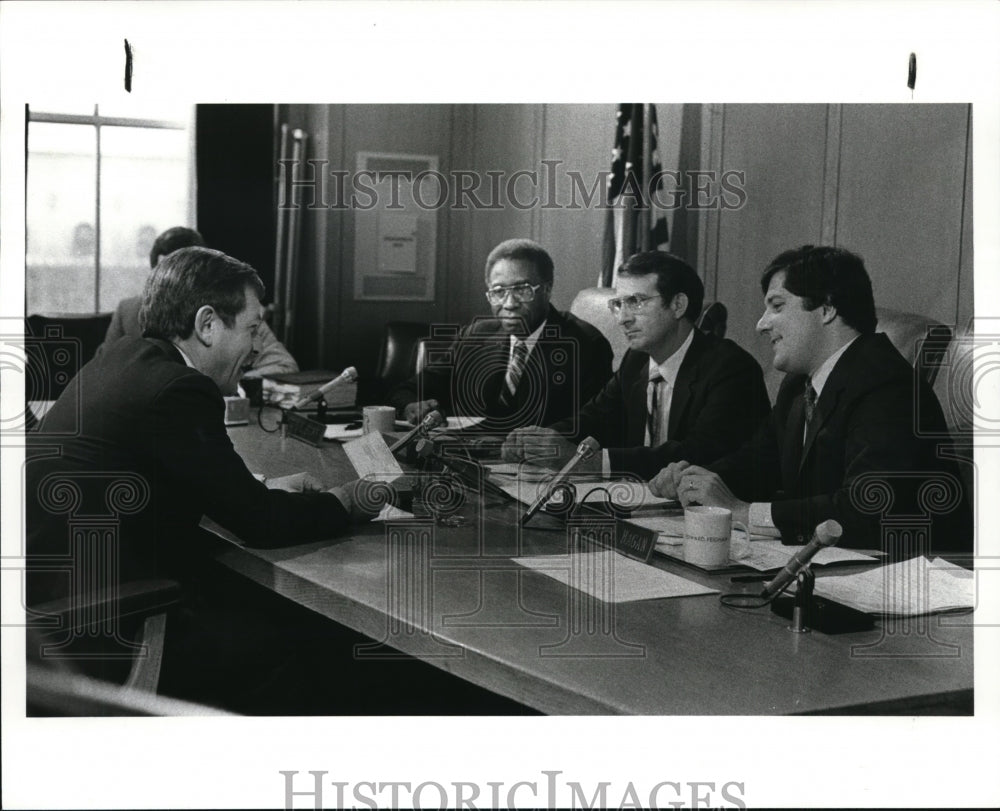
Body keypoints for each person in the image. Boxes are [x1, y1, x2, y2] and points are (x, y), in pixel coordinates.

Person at [25, 247, 382, 710]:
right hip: (101, 630)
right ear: (208, 324)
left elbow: (182, 480)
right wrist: (345, 501)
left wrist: (262, 492)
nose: (256, 347)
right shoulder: (180, 388)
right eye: (252, 329)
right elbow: (261, 525)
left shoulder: (122, 358)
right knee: (308, 644)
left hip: (46, 610)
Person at [649, 245, 971, 553]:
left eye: (777, 306)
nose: (761, 324)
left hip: (913, 582)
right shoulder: (798, 385)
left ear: (827, 309)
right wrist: (692, 479)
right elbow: (757, 462)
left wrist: (744, 512)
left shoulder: (887, 384)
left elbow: (867, 507)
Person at [501, 251, 770, 479]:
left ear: (677, 305)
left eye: (636, 302)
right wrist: (538, 441)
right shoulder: (636, 359)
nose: (622, 319)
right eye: (618, 305)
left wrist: (594, 462)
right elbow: (594, 417)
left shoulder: (731, 369)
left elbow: (696, 454)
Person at [389, 238, 613, 431]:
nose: (509, 304)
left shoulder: (586, 344)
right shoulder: (475, 335)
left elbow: (592, 425)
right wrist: (412, 406)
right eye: (498, 292)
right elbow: (407, 390)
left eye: (522, 290)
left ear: (547, 289)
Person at [102, 226, 298, 378]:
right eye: (165, 279)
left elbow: (283, 365)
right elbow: (105, 373)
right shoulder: (128, 311)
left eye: (185, 277)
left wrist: (231, 382)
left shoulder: (238, 309)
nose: (173, 290)